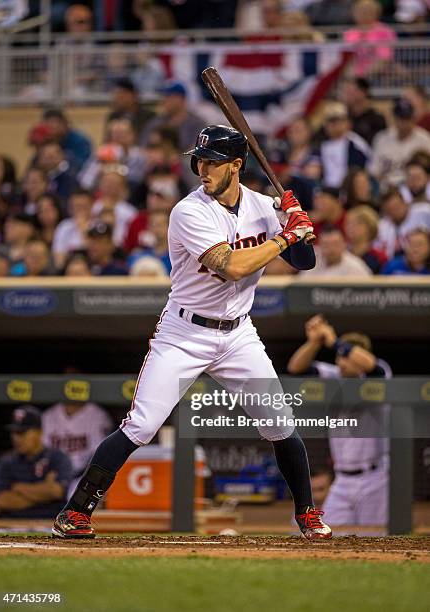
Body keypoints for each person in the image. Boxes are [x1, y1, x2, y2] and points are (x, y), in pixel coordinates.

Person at [52, 124, 332, 540]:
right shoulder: (189, 210)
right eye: (199, 160)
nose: (202, 168)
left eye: (213, 162)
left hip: (238, 334)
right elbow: (232, 266)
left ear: (236, 165)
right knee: (142, 424)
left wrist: (296, 220)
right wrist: (286, 234)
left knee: (280, 423)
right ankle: (76, 512)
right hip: (185, 332)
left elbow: (304, 262)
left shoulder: (262, 206)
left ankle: (307, 514)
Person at [287, 316, 391, 527]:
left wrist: (335, 342)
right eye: (339, 357)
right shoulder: (333, 376)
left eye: (347, 357)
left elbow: (372, 367)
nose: (341, 362)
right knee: (319, 531)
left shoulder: (379, 375)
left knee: (375, 538)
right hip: (342, 479)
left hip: (375, 477)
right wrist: (315, 342)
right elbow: (296, 368)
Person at [0, 406, 72, 519]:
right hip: (12, 526)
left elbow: (56, 491)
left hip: (50, 524)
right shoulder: (6, 462)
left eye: (22, 433)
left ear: (39, 432)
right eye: (14, 433)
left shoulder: (57, 458)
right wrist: (44, 491)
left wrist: (18, 488)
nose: (16, 438)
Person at [42, 401, 113, 497]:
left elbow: (101, 455)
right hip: (54, 476)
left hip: (83, 475)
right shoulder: (48, 416)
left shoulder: (98, 416)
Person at [371, 99, 430, 188]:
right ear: (394, 119)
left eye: (407, 118)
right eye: (401, 118)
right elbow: (373, 171)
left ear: (413, 118)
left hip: (414, 189)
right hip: (387, 190)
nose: (404, 123)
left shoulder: (424, 139)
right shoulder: (382, 138)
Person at [317, 103, 371, 189]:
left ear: (347, 122)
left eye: (338, 121)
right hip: (326, 189)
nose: (334, 125)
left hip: (348, 189)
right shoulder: (322, 144)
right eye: (331, 121)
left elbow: (361, 170)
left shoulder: (355, 143)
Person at [343, 0, 397, 78]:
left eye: (368, 11)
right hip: (353, 72)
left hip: (379, 71)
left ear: (376, 13)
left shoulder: (384, 31)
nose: (364, 14)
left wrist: (364, 75)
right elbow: (346, 57)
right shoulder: (349, 33)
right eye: (360, 11)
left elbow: (385, 56)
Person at [375, 187, 430, 259]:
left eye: (396, 206)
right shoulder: (381, 226)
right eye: (390, 209)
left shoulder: (424, 212)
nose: (394, 211)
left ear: (405, 203)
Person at [302, 226, 372, 277]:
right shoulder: (312, 262)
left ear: (344, 244)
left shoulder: (356, 267)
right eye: (326, 245)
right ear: (319, 246)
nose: (331, 249)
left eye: (336, 244)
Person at [52, 189, 94, 270]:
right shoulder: (64, 226)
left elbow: (97, 254)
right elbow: (58, 258)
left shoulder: (98, 225)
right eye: (76, 206)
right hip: (68, 270)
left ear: (91, 206)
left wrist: (83, 230)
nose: (80, 210)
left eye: (83, 206)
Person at [339, 77, 387, 145]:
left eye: (350, 92)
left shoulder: (376, 119)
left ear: (363, 92)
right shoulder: (342, 118)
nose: (346, 95)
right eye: (345, 92)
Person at [344, 205, 387, 274]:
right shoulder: (342, 255)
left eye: (358, 223)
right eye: (348, 223)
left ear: (369, 227)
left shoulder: (379, 258)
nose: (351, 227)